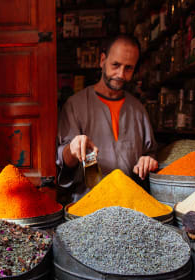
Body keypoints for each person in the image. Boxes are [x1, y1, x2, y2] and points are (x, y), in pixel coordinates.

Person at [56, 34, 158, 203]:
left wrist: (148, 161)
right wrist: (72, 149)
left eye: (128, 68)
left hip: (130, 205)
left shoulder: (138, 110)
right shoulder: (76, 105)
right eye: (115, 65)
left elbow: (150, 153)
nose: (120, 74)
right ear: (102, 60)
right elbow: (64, 160)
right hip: (87, 203)